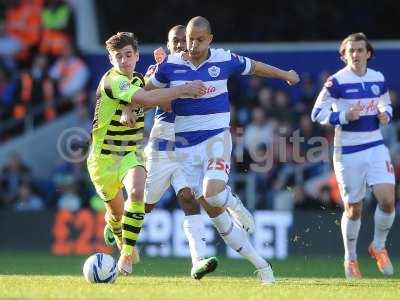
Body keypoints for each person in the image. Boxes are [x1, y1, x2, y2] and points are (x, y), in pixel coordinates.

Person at [146, 16, 300, 284]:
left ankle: (237, 207)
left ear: (210, 39)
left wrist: (284, 74)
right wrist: (129, 104)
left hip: (216, 139)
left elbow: (255, 68)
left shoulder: (223, 59)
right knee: (214, 211)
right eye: (189, 39)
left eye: (199, 39)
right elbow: (145, 95)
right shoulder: (169, 66)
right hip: (184, 149)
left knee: (213, 194)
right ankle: (262, 266)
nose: (192, 45)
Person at [87, 31, 206, 275]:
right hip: (103, 160)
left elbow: (156, 99)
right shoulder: (112, 81)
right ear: (111, 60)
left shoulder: (140, 79)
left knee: (136, 190)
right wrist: (184, 89)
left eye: (128, 55)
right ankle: (114, 225)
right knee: (117, 214)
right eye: (118, 56)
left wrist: (165, 71)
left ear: (136, 56)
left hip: (130, 152)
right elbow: (146, 97)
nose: (124, 61)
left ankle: (127, 255)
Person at [311, 32, 395, 279]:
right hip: (347, 151)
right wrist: (343, 117)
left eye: (360, 50)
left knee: (388, 200)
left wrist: (385, 115)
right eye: (351, 51)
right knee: (354, 209)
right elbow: (317, 113)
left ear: (368, 53)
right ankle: (351, 258)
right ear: (344, 55)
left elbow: (386, 104)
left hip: (375, 146)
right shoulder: (336, 82)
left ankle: (378, 246)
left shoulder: (378, 78)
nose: (356, 54)